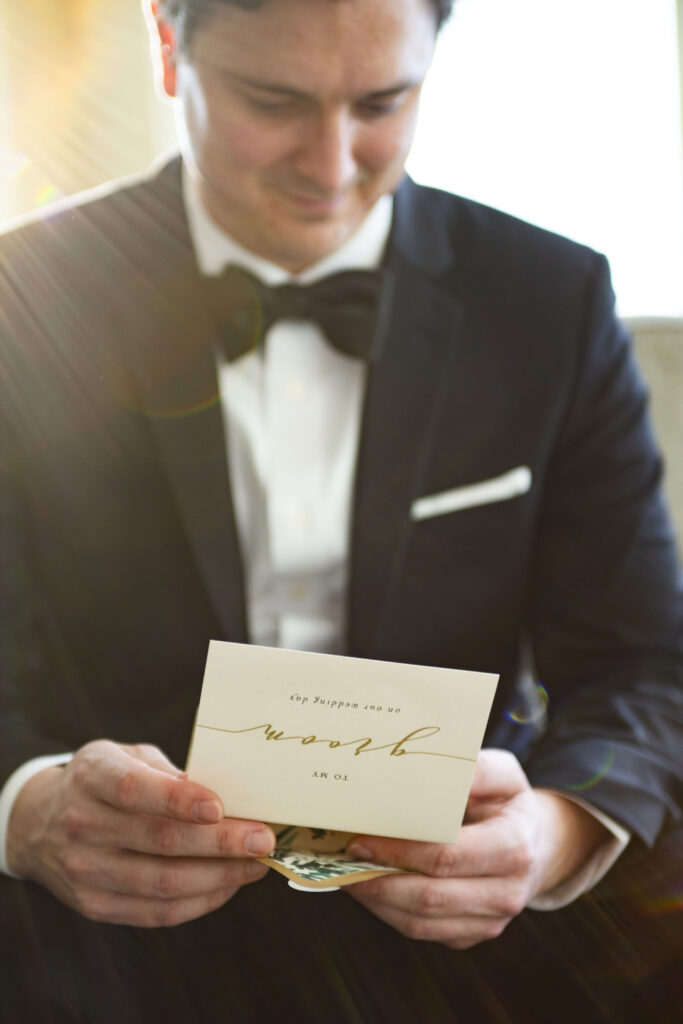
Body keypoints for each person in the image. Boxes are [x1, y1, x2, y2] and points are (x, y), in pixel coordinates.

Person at [1, 0, 682, 1019]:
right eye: (272, 101)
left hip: (467, 933)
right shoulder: (22, 295)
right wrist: (27, 809)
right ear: (165, 45)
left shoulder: (550, 297)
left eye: (382, 101)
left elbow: (639, 661)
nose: (330, 166)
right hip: (100, 939)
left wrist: (546, 835)